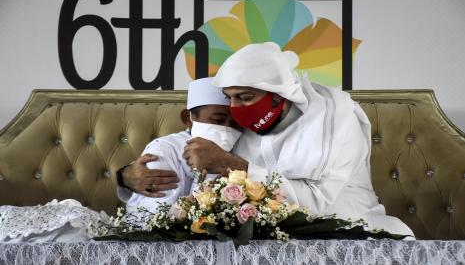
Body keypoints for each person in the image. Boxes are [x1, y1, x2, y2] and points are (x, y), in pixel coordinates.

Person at [182, 42, 414, 236]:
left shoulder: (335, 119)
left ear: (277, 94)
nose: (235, 108)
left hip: (350, 229)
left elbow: (315, 203)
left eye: (245, 97)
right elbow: (200, 144)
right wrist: (153, 160)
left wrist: (232, 164)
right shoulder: (246, 123)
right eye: (229, 98)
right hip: (273, 235)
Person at [117, 77, 243, 213]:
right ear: (187, 118)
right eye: (218, 120)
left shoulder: (242, 147)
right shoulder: (164, 150)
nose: (226, 130)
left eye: (236, 124)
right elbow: (158, 220)